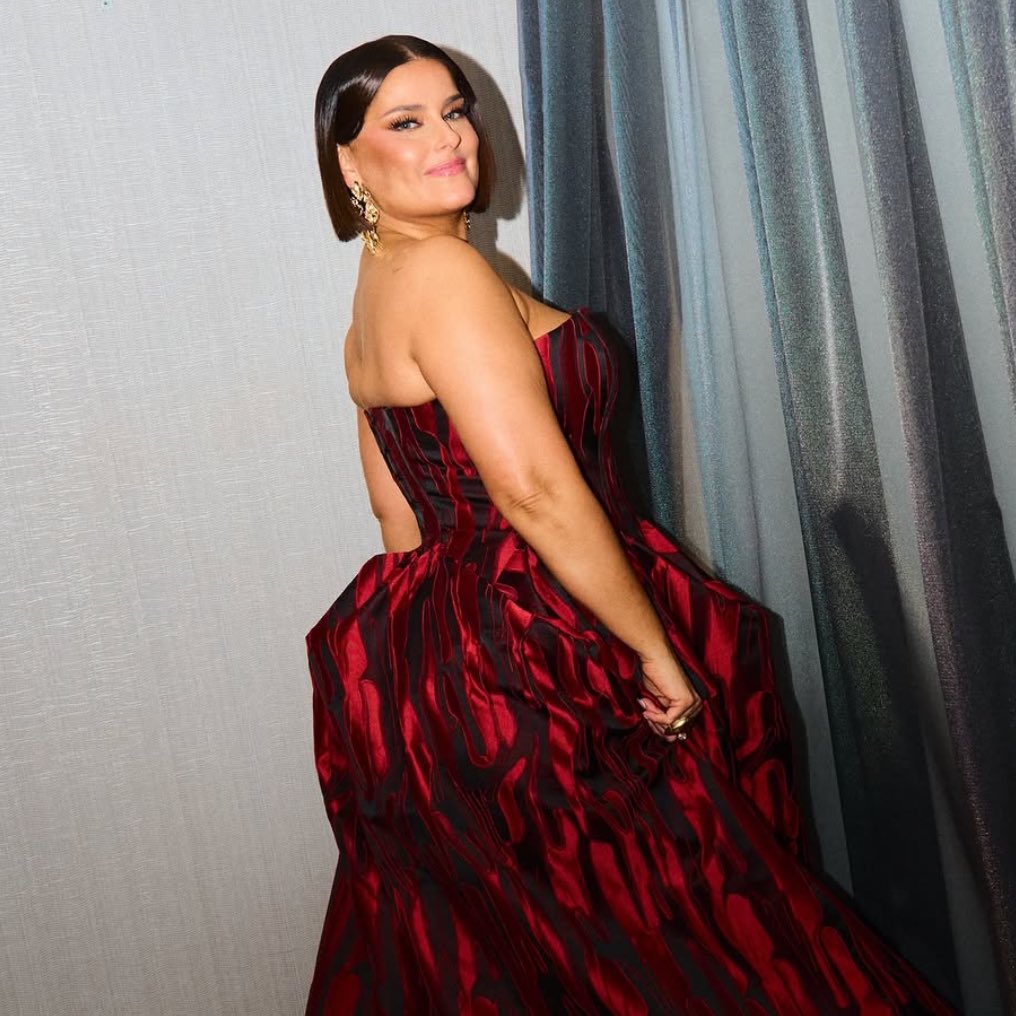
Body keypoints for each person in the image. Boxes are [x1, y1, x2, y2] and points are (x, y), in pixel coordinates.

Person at [305, 34, 954, 1015]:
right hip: (549, 643)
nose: (450, 136)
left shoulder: (371, 302)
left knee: (567, 953)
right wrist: (651, 650)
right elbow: (533, 489)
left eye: (455, 110)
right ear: (349, 162)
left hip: (462, 660)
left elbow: (398, 520)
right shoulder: (445, 276)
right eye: (407, 121)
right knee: (696, 943)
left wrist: (434, 699)